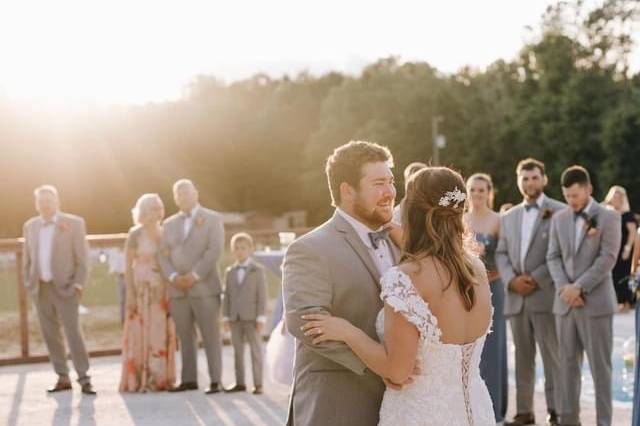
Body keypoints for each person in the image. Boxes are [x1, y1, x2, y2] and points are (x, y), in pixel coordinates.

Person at [302, 166, 495, 425]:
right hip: (475, 410)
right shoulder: (476, 269)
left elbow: (398, 371)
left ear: (413, 212)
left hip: (422, 414)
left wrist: (348, 332)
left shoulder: (405, 278)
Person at [283, 140, 400, 426]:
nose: (390, 193)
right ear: (348, 191)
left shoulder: (401, 241)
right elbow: (306, 322)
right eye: (379, 184)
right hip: (338, 402)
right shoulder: (310, 248)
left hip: (400, 404)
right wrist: (382, 365)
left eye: (391, 182)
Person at [547, 165, 621, 426]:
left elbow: (608, 258)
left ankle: (603, 423)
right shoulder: (559, 218)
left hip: (596, 304)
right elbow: (552, 257)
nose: (571, 201)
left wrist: (578, 287)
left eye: (576, 195)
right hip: (564, 304)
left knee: (601, 370)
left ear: (589, 189)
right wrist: (565, 289)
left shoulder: (609, 217)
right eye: (567, 196)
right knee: (566, 368)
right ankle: (569, 421)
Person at [495, 158, 565, 426]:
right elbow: (501, 253)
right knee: (522, 358)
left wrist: (535, 278)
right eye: (525, 178)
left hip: (545, 295)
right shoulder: (509, 216)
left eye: (534, 177)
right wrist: (512, 279)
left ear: (544, 179)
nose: (530, 183)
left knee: (552, 358)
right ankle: (524, 411)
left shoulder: (558, 211)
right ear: (518, 181)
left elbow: (560, 253)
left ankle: (556, 411)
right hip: (517, 297)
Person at [22, 185, 95, 395]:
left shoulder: (74, 223)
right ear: (37, 204)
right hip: (40, 288)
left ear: (57, 201)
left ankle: (84, 378)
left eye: (49, 200)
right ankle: (62, 377)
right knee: (50, 335)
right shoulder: (30, 226)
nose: (45, 204)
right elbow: (27, 258)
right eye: (41, 201)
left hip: (66, 288)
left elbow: (83, 259)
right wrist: (29, 283)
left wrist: (78, 284)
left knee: (73, 334)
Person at [158, 179, 225, 394]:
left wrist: (194, 275)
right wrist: (173, 276)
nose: (183, 196)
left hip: (204, 287)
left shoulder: (213, 219)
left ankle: (215, 380)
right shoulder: (168, 224)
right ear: (175, 198)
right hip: (178, 289)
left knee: (210, 337)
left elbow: (213, 251)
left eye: (187, 192)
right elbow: (163, 255)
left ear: (196, 193)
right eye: (179, 194)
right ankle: (188, 379)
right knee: (185, 337)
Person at [119, 194, 176, 392]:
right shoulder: (135, 234)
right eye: (152, 208)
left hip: (162, 289)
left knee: (160, 332)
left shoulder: (166, 233)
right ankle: (140, 378)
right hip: (141, 287)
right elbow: (127, 267)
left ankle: (160, 378)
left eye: (159, 207)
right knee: (139, 332)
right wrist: (130, 294)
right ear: (143, 211)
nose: (157, 211)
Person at [464, 172, 508, 422]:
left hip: (493, 288)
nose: (477, 194)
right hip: (467, 290)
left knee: (493, 345)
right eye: (473, 190)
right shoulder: (461, 219)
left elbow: (506, 257)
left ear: (489, 192)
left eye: (481, 190)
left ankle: (495, 410)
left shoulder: (498, 221)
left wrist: (487, 277)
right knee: (469, 344)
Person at [222, 232, 267, 395]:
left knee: (256, 350)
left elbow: (262, 296)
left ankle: (258, 384)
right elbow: (226, 296)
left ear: (251, 249)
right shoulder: (230, 271)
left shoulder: (258, 270)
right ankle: (240, 382)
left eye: (243, 248)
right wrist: (226, 317)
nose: (240, 251)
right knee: (237, 352)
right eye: (236, 248)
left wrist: (261, 317)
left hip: (252, 317)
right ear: (232, 251)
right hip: (235, 317)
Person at [603, 185, 637, 311]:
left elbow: (633, 233)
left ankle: (627, 302)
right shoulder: (609, 214)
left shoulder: (627, 215)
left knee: (623, 275)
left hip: (624, 250)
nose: (615, 199)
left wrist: (627, 249)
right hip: (613, 249)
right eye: (614, 197)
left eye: (618, 197)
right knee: (614, 275)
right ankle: (618, 302)